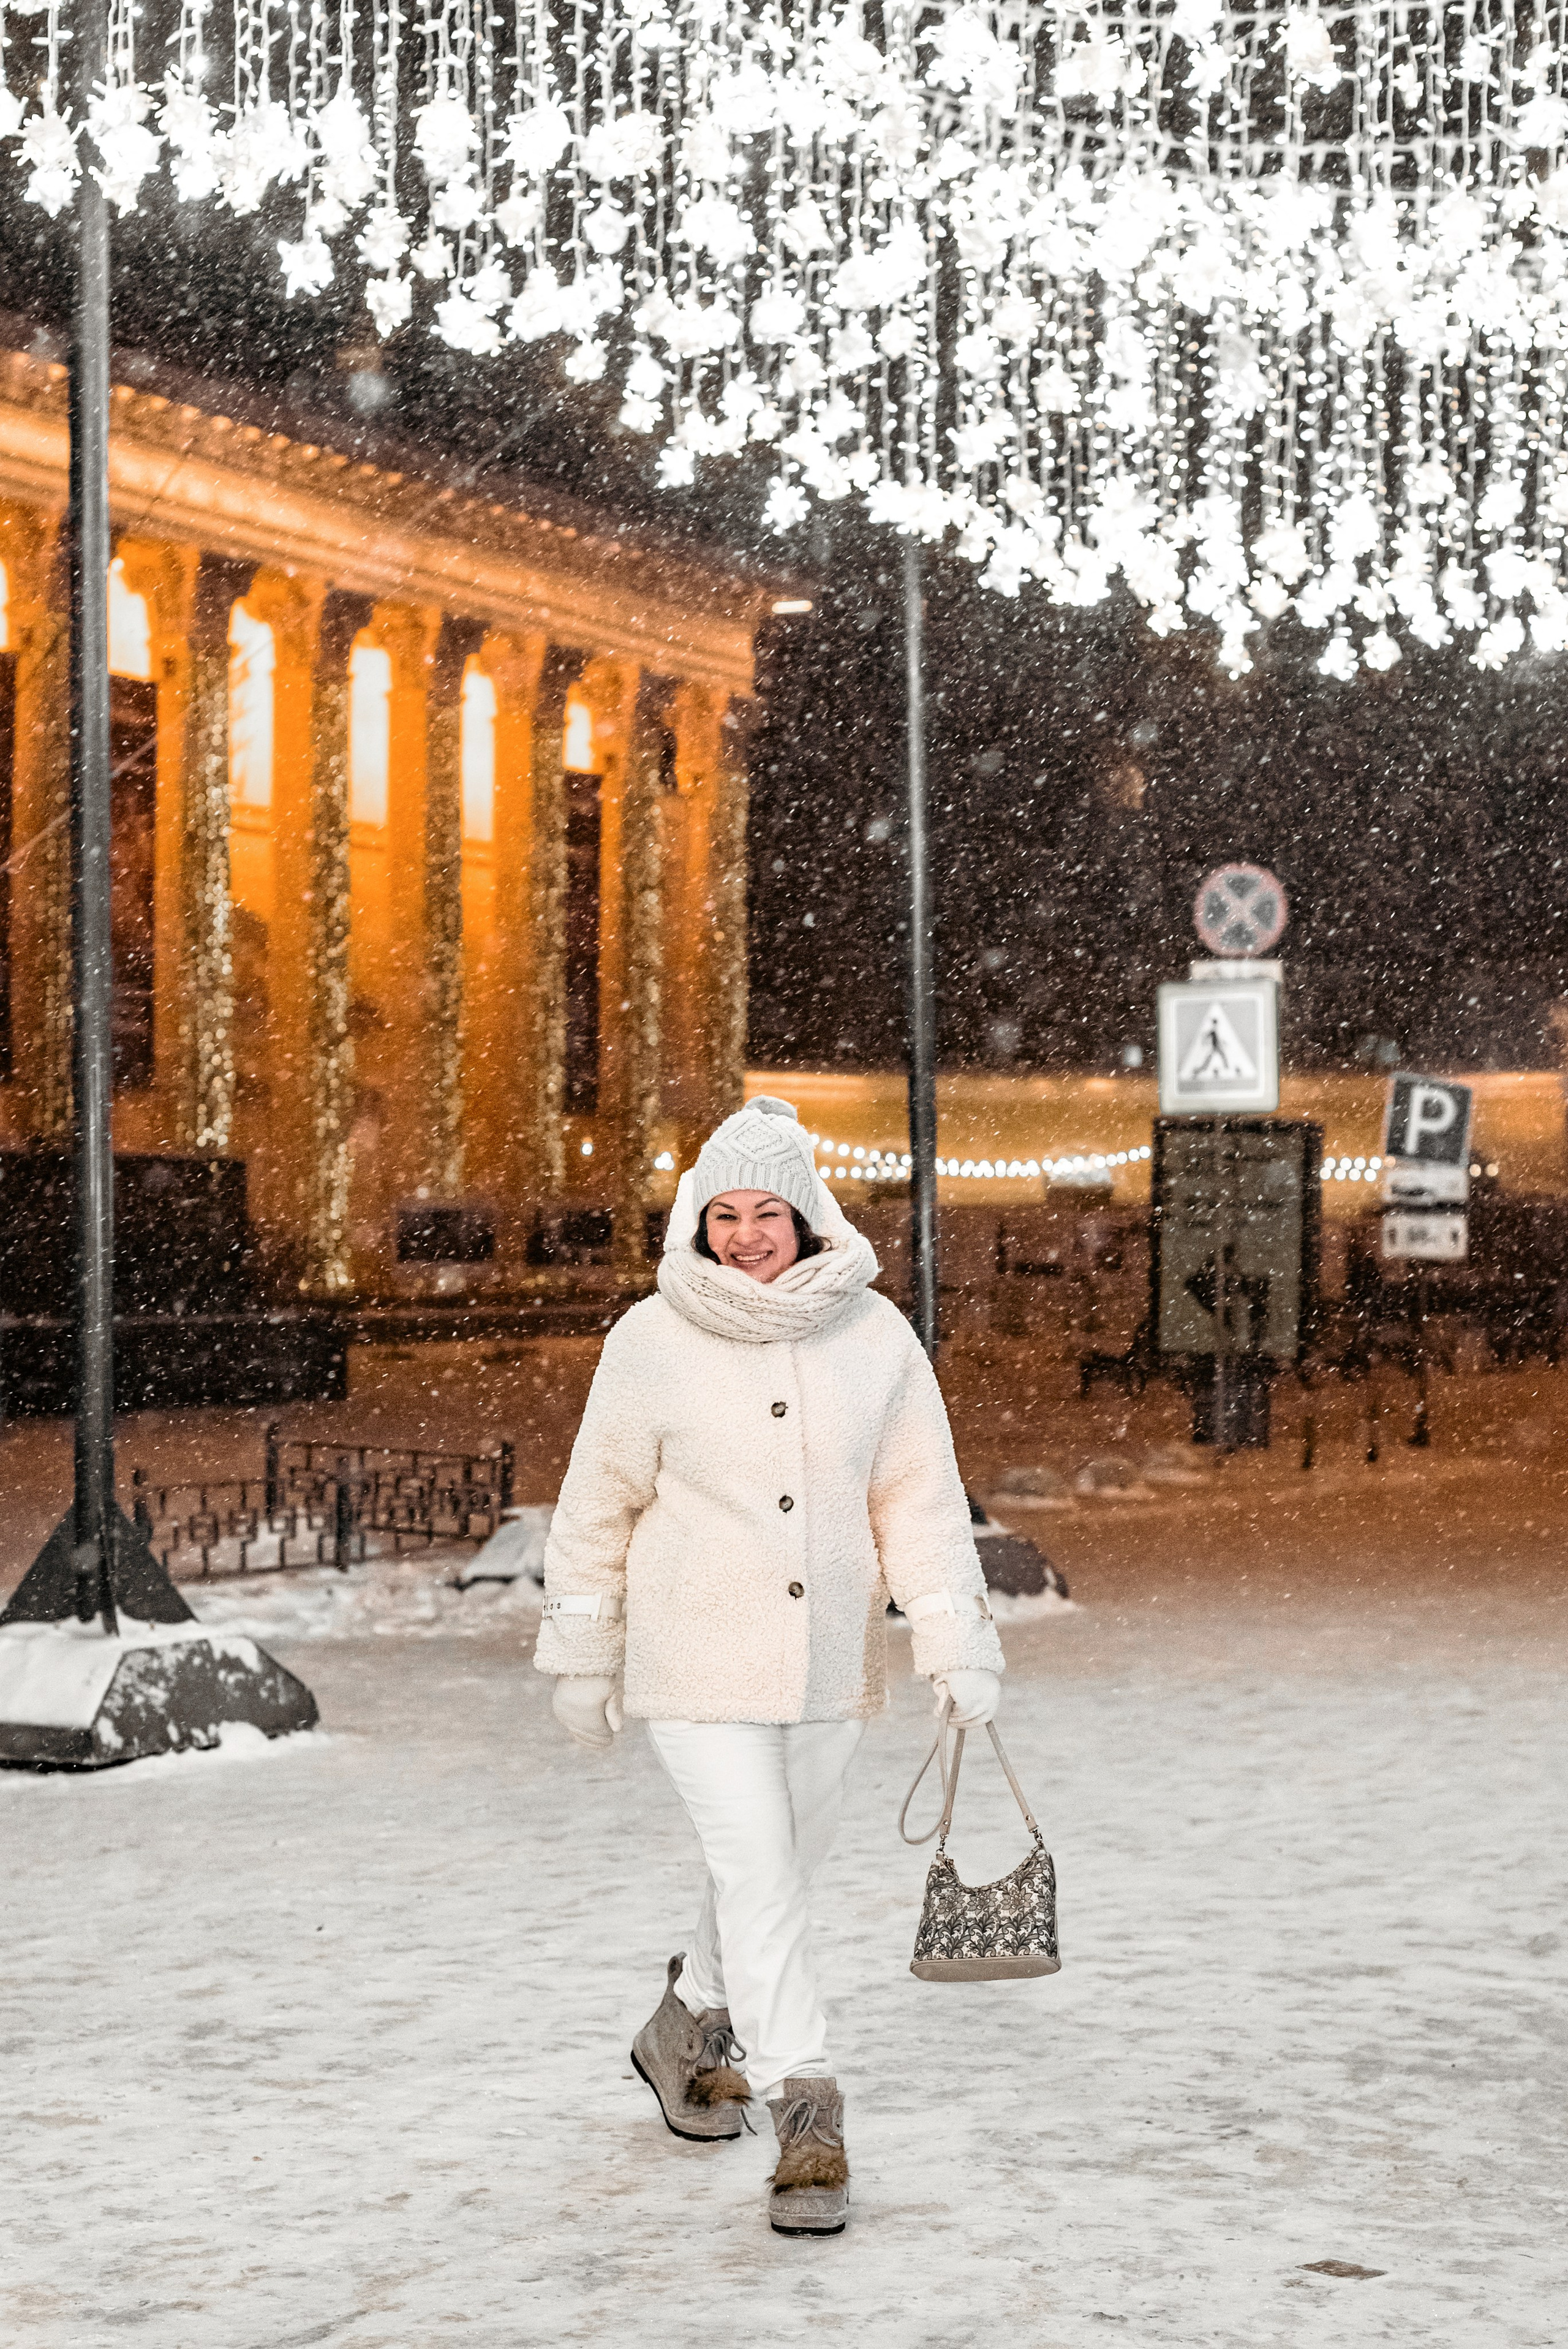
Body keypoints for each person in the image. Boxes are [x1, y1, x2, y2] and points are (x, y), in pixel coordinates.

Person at [535, 1097, 1005, 2237]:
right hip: (693, 1661)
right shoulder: (650, 1341)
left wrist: (952, 1637)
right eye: (724, 1212)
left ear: (808, 1213)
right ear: (698, 1222)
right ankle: (809, 2106)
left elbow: (919, 1503)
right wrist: (584, 1650)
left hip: (826, 1666)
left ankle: (688, 2020)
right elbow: (597, 1505)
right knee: (758, 1871)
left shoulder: (876, 1339)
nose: (747, 1233)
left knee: (776, 1870)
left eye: (768, 1210)